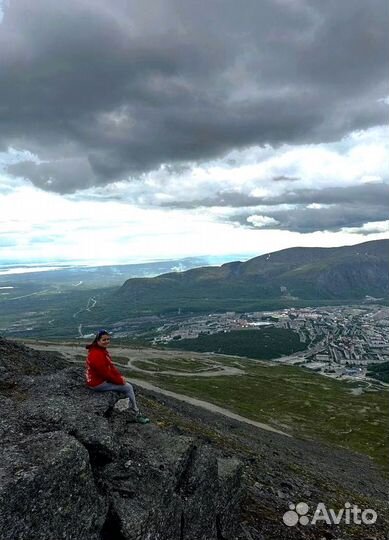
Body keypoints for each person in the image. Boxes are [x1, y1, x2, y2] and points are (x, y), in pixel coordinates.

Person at [85, 329, 150, 424]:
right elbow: (105, 374)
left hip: (95, 380)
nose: (107, 341)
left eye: (108, 339)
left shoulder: (99, 351)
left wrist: (119, 376)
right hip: (97, 383)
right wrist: (120, 381)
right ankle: (136, 413)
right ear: (98, 341)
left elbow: (110, 367)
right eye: (104, 340)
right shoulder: (97, 354)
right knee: (128, 387)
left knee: (124, 384)